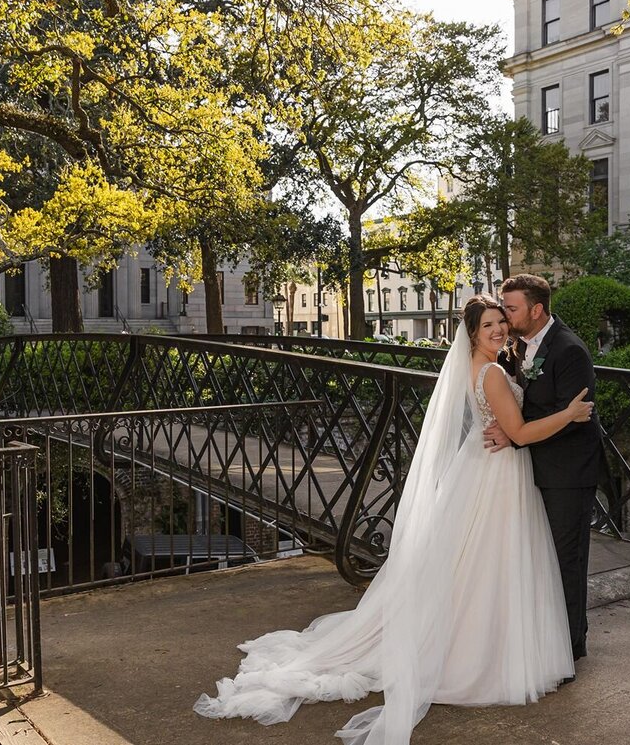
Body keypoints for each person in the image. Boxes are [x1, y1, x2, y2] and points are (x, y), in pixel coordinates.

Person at [194, 295, 594, 744]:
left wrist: (508, 422)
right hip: (499, 475)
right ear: (473, 333)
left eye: (502, 321)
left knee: (472, 563)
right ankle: (481, 653)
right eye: (489, 325)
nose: (499, 330)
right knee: (491, 561)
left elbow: (506, 422)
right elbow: (519, 431)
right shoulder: (495, 373)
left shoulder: (478, 367)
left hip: (484, 466)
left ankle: (475, 640)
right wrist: (569, 413)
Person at [484, 273, 604, 668]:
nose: (505, 315)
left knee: (565, 560)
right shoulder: (518, 345)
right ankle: (543, 640)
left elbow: (572, 417)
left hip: (568, 473)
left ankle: (569, 649)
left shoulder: (570, 351)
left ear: (536, 310)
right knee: (539, 559)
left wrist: (514, 433)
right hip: (534, 468)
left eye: (512, 309)